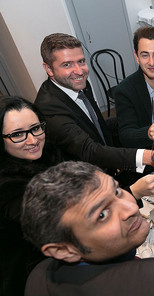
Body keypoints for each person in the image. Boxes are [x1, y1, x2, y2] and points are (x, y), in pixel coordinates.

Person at [21, 161, 154, 296]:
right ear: (63, 250)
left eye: (117, 191)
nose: (132, 208)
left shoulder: (38, 275)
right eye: (102, 215)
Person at [34, 32, 154, 187]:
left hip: (109, 169)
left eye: (81, 61)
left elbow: (96, 125)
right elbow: (89, 150)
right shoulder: (48, 107)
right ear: (49, 69)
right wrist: (146, 156)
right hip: (84, 184)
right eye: (67, 64)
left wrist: (139, 121)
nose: (79, 71)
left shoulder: (79, 84)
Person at [0, 96, 64, 296]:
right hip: (34, 272)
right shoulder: (7, 185)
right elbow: (56, 224)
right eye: (18, 134)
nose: (33, 139)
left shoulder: (47, 152)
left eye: (36, 128)